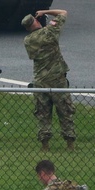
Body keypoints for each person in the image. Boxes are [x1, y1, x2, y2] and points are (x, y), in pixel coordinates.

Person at [23, 9, 76, 152]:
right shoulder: (49, 32)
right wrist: (45, 12)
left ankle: (45, 145)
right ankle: (70, 144)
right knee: (65, 111)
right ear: (35, 21)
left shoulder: (27, 40)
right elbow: (63, 13)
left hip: (40, 80)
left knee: (43, 114)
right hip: (57, 79)